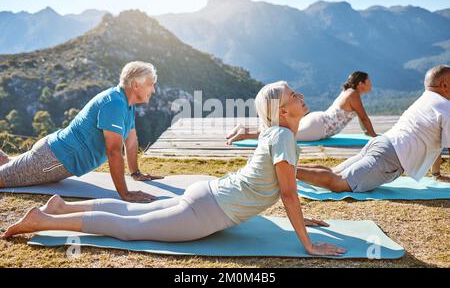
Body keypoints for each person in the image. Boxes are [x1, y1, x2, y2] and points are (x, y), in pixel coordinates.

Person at [1, 81, 346, 257]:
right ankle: (43, 220)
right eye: (294, 95)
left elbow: (277, 185)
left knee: (132, 213)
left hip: (207, 195)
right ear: (284, 112)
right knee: (128, 228)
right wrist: (308, 244)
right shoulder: (283, 137)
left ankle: (62, 206)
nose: (301, 97)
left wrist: (301, 217)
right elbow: (285, 192)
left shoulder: (275, 132)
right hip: (207, 210)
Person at [0, 61, 163, 203]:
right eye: (150, 84)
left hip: (53, 152)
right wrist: (125, 194)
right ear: (136, 85)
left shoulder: (127, 103)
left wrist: (135, 173)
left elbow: (131, 140)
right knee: (3, 178)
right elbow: (113, 151)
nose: (153, 90)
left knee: (6, 163)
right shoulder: (115, 104)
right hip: (54, 159)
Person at [296, 65, 450, 193]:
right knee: (338, 183)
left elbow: (437, 143)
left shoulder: (425, 99)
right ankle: (281, 171)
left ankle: (286, 168)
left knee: (334, 172)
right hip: (391, 156)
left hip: (382, 143)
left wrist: (436, 174)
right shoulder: (446, 108)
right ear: (444, 85)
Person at [226, 71, 377, 145]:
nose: (371, 84)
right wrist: (375, 137)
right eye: (369, 81)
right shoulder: (353, 95)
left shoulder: (349, 93)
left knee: (279, 130)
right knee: (281, 137)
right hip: (319, 127)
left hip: (318, 121)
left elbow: (362, 119)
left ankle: (244, 129)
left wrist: (368, 132)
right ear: (360, 84)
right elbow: (363, 117)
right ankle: (245, 134)